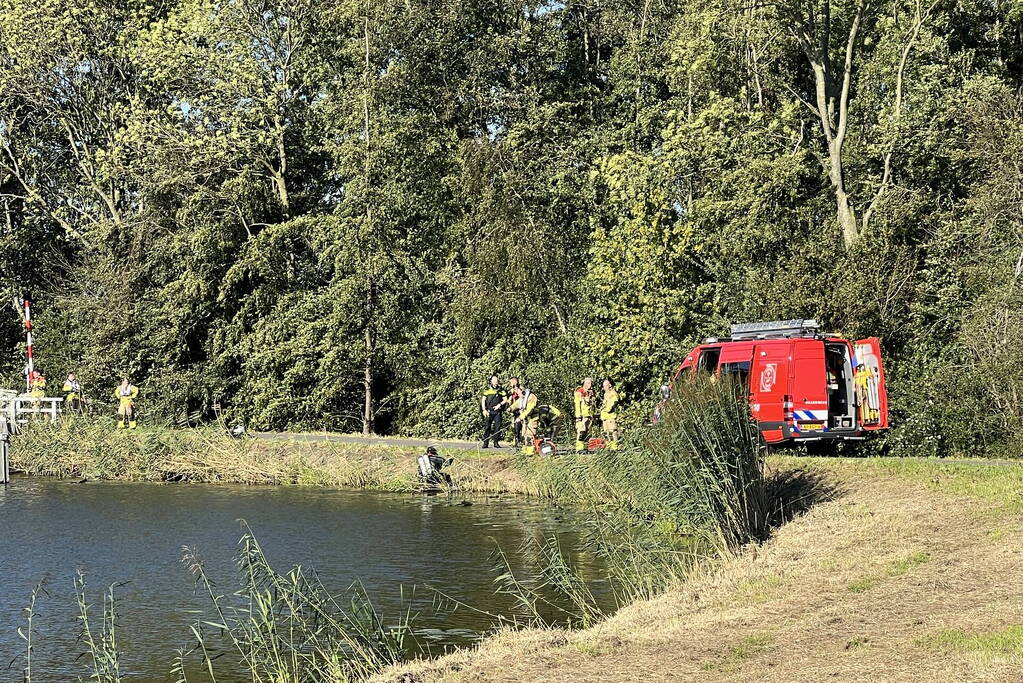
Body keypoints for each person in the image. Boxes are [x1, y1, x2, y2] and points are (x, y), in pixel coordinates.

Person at [480, 375, 507, 448]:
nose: (495, 382)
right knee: (487, 427)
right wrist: (484, 410)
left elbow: (505, 399)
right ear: (491, 381)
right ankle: (485, 443)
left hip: (497, 412)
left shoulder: (501, 390)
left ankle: (496, 443)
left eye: (496, 380)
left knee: (497, 427)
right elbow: (483, 400)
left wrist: (499, 404)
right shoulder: (487, 390)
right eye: (494, 380)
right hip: (489, 411)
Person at [573, 377, 594, 451]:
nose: (590, 385)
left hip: (589, 416)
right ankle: (579, 449)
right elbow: (577, 406)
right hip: (582, 416)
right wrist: (578, 417)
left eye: (591, 383)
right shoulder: (579, 392)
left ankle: (585, 448)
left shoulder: (590, 392)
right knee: (581, 431)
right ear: (584, 383)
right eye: (588, 383)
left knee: (587, 433)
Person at [518, 385, 539, 454]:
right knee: (524, 435)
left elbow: (529, 409)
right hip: (526, 420)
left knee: (529, 436)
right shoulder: (522, 398)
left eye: (519, 393)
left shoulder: (531, 397)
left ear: (523, 392)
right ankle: (525, 450)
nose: (518, 395)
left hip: (532, 419)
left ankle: (530, 452)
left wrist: (521, 417)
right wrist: (511, 408)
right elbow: (517, 404)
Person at [600, 378, 621, 450]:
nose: (604, 387)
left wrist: (607, 409)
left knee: (612, 432)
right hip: (605, 417)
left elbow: (614, 403)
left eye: (605, 386)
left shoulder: (613, 393)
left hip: (610, 416)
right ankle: (608, 446)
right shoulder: (605, 394)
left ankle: (614, 447)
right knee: (606, 433)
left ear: (610, 385)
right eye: (603, 386)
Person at [504, 377, 524, 446]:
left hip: (521, 410)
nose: (510, 384)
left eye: (511, 382)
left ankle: (520, 441)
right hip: (514, 410)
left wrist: (517, 391)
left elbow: (522, 397)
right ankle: (516, 440)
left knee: (520, 425)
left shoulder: (520, 389)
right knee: (515, 426)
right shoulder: (512, 390)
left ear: (515, 382)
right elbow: (511, 398)